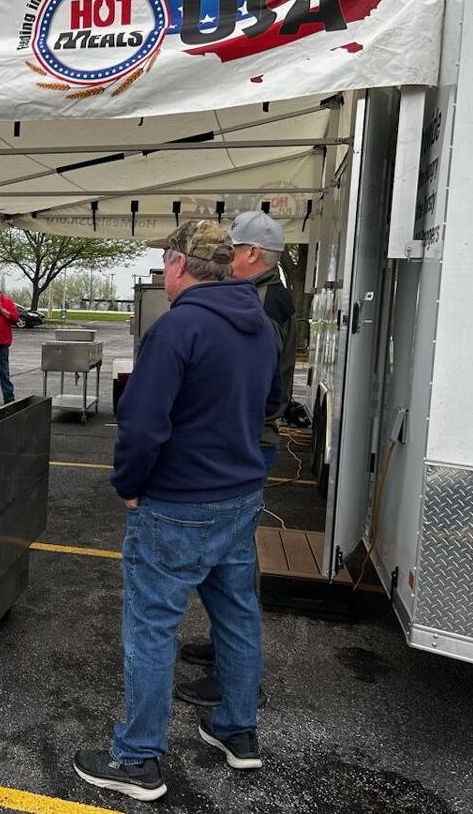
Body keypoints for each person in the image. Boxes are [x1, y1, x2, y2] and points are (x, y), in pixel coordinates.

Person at [73, 222, 280, 803]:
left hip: (177, 506)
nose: (163, 271)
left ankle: (138, 759)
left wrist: (129, 484)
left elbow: (141, 426)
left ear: (181, 262)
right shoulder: (260, 327)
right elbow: (272, 402)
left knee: (152, 627)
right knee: (238, 614)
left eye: (165, 260)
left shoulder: (176, 329)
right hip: (240, 499)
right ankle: (237, 730)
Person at [176, 210, 297, 707]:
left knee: (231, 576)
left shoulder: (263, 302)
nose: (225, 260)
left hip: (244, 445)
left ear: (250, 254)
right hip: (250, 443)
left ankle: (235, 681)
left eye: (232, 250)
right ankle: (226, 656)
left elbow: (255, 384)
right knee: (226, 569)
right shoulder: (268, 296)